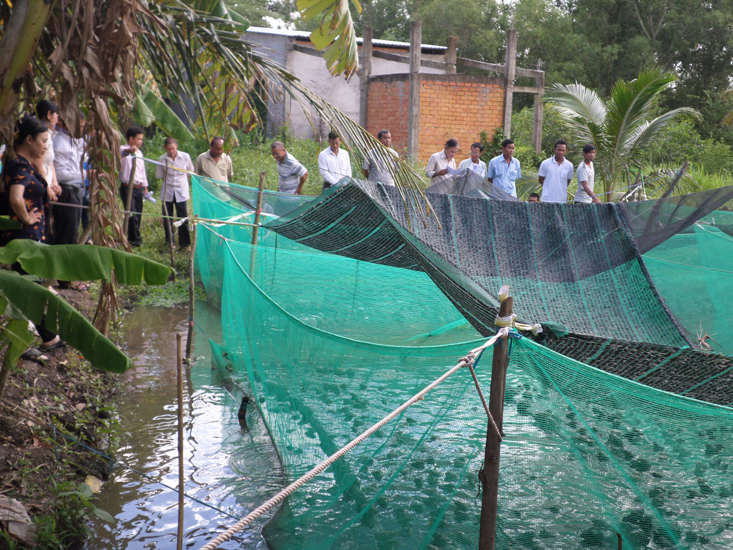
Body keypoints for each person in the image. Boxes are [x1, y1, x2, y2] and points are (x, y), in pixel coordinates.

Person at [0, 116, 65, 352]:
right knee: (29, 288)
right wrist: (27, 217)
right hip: (21, 239)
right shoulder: (18, 165)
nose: (46, 146)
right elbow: (16, 198)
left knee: (30, 287)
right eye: (43, 141)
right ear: (29, 140)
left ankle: (47, 338)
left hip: (27, 237)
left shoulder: (24, 164)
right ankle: (41, 339)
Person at [52, 114, 87, 248]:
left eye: (83, 127)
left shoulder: (74, 141)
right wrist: (86, 175)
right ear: (68, 125)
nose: (82, 130)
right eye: (80, 127)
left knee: (72, 231)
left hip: (75, 190)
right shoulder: (60, 143)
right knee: (65, 234)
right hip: (65, 192)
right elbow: (60, 175)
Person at [156, 137, 194, 248]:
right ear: (165, 148)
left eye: (173, 148)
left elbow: (190, 172)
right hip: (167, 192)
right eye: (169, 149)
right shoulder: (162, 159)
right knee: (167, 217)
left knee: (182, 217)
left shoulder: (185, 157)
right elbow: (159, 175)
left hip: (181, 190)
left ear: (176, 146)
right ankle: (170, 242)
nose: (171, 151)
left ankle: (185, 243)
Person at [119, 127, 148, 247]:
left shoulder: (139, 153)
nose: (141, 141)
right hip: (127, 187)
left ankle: (132, 238)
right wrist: (130, 150)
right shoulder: (122, 149)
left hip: (139, 187)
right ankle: (136, 240)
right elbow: (122, 153)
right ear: (131, 139)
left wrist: (145, 188)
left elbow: (142, 171)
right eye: (139, 139)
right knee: (132, 214)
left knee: (138, 214)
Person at [35, 100, 62, 205]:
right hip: (40, 187)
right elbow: (38, 163)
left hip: (47, 186)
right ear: (49, 114)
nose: (57, 119)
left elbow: (49, 162)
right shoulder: (41, 134)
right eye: (56, 115)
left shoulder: (49, 134)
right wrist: (46, 187)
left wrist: (54, 182)